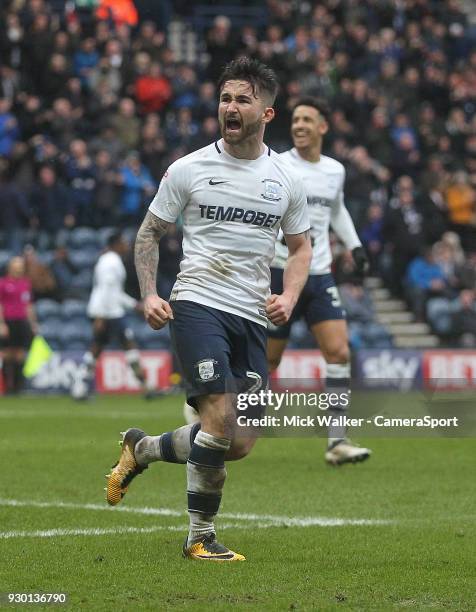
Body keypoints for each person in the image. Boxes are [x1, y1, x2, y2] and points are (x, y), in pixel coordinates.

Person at [106, 58, 312, 561]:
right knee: (218, 419)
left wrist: (288, 296)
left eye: (243, 99)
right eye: (225, 98)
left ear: (267, 111)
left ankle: (143, 447)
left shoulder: (285, 178)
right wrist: (150, 294)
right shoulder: (189, 168)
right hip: (197, 303)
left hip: (251, 314)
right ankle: (200, 536)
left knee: (238, 441)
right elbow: (150, 232)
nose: (231, 108)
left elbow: (301, 246)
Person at [267, 97, 372, 465]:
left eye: (307, 120)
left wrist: (355, 246)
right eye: (295, 120)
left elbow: (336, 208)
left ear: (322, 127)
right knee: (267, 361)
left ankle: (336, 442)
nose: (299, 126)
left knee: (339, 352)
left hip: (321, 273)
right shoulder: (277, 164)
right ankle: (211, 413)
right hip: (281, 272)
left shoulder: (334, 170)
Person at [71, 232, 156, 400]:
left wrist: (134, 305)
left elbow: (114, 292)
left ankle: (79, 387)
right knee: (126, 344)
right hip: (109, 313)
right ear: (116, 243)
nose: (126, 245)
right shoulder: (112, 262)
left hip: (108, 311)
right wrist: (101, 317)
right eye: (123, 242)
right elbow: (107, 290)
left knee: (98, 348)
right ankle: (146, 386)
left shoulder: (108, 260)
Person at [0, 257, 38, 394]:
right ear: (10, 267)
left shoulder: (25, 284)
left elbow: (29, 305)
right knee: (6, 354)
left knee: (20, 354)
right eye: (17, 266)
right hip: (8, 321)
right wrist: (1, 323)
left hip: (22, 322)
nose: (19, 269)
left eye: (21, 266)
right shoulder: (3, 283)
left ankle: (18, 387)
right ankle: (7, 387)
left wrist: (33, 323)